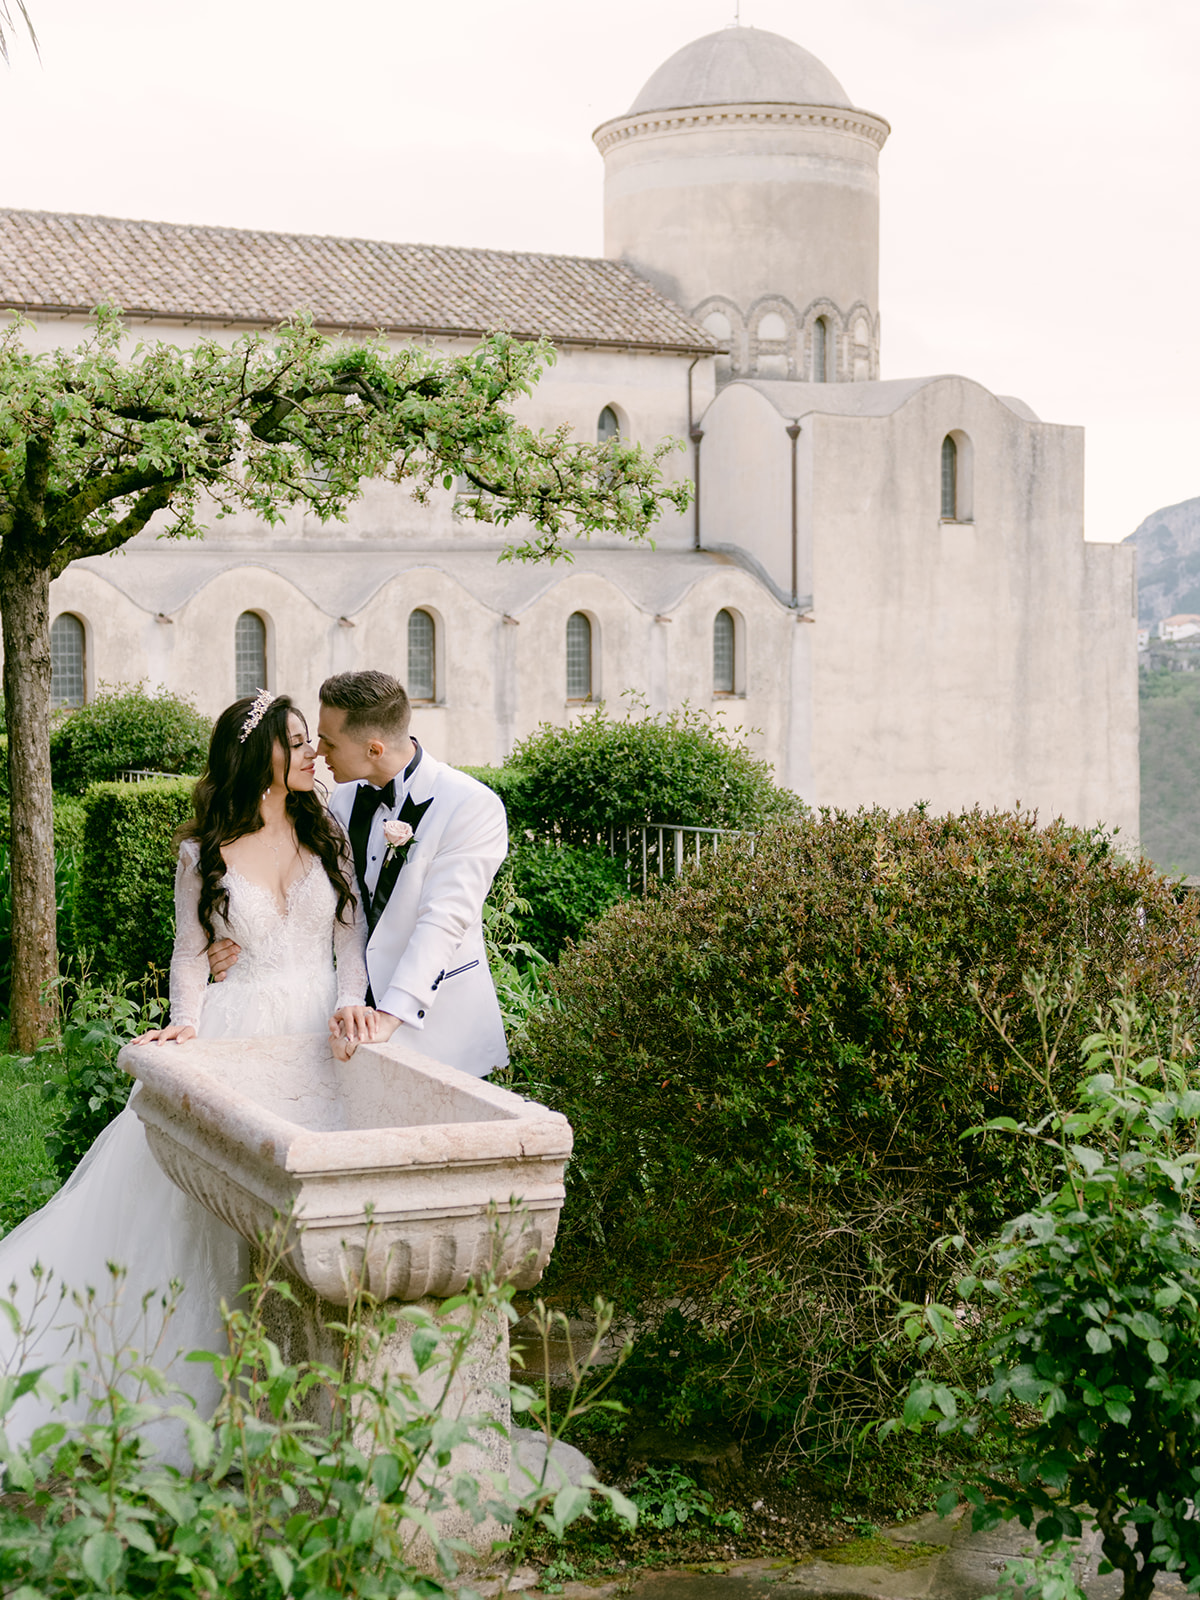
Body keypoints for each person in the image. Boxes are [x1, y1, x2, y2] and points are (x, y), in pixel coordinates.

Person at [0, 691, 371, 1457]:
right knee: (211, 1213)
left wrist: (352, 1007)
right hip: (238, 1030)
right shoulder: (204, 848)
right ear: (258, 756)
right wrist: (189, 1024)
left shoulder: (327, 829)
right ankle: (216, 1380)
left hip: (318, 1039)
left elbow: (350, 941)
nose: (312, 754)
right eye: (296, 742)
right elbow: (188, 950)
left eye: (311, 742)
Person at [208, 671, 508, 1078]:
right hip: (347, 1027)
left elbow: (442, 923)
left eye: (329, 741)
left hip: (438, 1030)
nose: (318, 750)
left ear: (373, 748)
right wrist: (234, 944)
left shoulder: (471, 806)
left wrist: (389, 1015)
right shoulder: (337, 805)